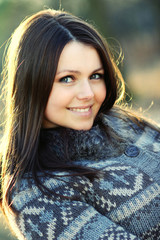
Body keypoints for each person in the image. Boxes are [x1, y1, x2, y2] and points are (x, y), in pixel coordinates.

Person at [0, 8, 160, 240]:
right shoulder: (36, 195)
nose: (88, 94)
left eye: (96, 75)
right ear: (32, 85)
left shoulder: (123, 122)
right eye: (67, 79)